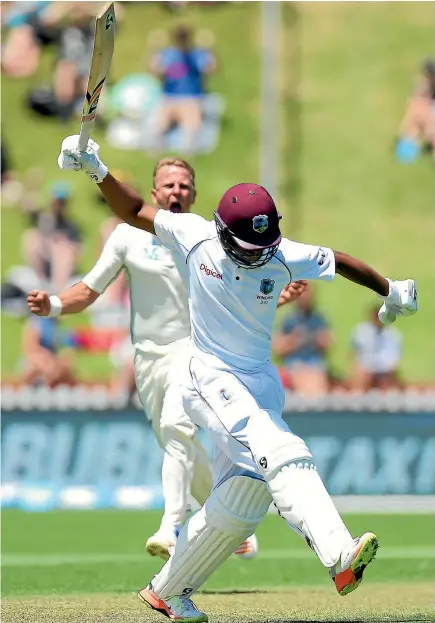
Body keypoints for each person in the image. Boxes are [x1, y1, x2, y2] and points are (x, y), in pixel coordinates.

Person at [57, 135, 417, 623]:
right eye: (248, 246)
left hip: (260, 382)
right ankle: (338, 555)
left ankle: (168, 592)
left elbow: (339, 260)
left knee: (244, 498)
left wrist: (390, 288)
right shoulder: (193, 234)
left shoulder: (280, 250)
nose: (257, 256)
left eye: (263, 246)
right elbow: (135, 208)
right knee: (283, 452)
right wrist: (96, 168)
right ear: (223, 231)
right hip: (209, 378)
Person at [28, 154, 305, 563]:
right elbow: (88, 290)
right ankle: (229, 522)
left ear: (193, 194)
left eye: (184, 186)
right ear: (154, 192)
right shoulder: (127, 236)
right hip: (147, 358)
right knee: (179, 446)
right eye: (168, 185)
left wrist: (273, 300)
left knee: (178, 429)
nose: (176, 192)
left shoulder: (209, 240)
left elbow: (237, 303)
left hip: (195, 352)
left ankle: (172, 526)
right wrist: (51, 303)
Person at [149, 24, 216, 151]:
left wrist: (209, 50)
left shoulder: (196, 54)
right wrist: (154, 51)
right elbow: (154, 71)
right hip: (170, 97)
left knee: (191, 127)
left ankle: (188, 149)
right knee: (159, 125)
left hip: (191, 98)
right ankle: (158, 149)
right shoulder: (168, 54)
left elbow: (211, 69)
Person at [273, 283, 332, 395]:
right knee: (302, 378)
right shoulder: (289, 320)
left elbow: (328, 343)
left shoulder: (319, 319)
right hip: (294, 363)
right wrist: (294, 339)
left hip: (314, 363)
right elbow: (278, 348)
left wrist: (320, 339)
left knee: (317, 378)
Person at [350, 304, 403, 392]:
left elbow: (396, 358)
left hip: (385, 369)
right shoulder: (361, 331)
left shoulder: (393, 334)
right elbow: (353, 354)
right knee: (361, 376)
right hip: (366, 367)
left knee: (388, 379)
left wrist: (389, 368)